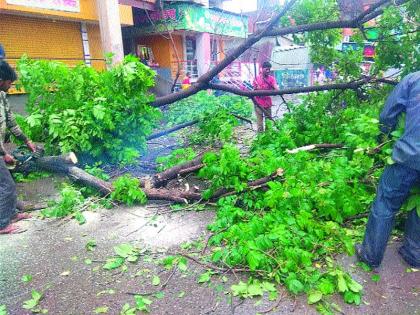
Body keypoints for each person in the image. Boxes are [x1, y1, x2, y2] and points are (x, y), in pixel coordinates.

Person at [355, 71, 420, 268]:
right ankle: (413, 253)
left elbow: (387, 114)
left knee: (386, 202)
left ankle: (370, 255)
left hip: (408, 155)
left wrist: (383, 136)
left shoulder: (414, 79)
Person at [0, 61, 36, 234]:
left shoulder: (2, 97)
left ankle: (11, 213)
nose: (10, 86)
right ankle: (2, 225)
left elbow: (12, 122)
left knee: (7, 182)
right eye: (9, 83)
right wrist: (4, 154)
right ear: (1, 80)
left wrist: (27, 140)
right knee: (7, 185)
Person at [253, 61, 278, 132]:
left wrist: (278, 91)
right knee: (260, 124)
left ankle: (268, 137)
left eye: (269, 69)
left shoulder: (271, 79)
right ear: (262, 69)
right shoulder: (256, 79)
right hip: (258, 103)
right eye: (266, 69)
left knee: (268, 122)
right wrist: (257, 89)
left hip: (267, 103)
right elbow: (254, 91)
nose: (268, 71)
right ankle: (260, 139)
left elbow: (275, 86)